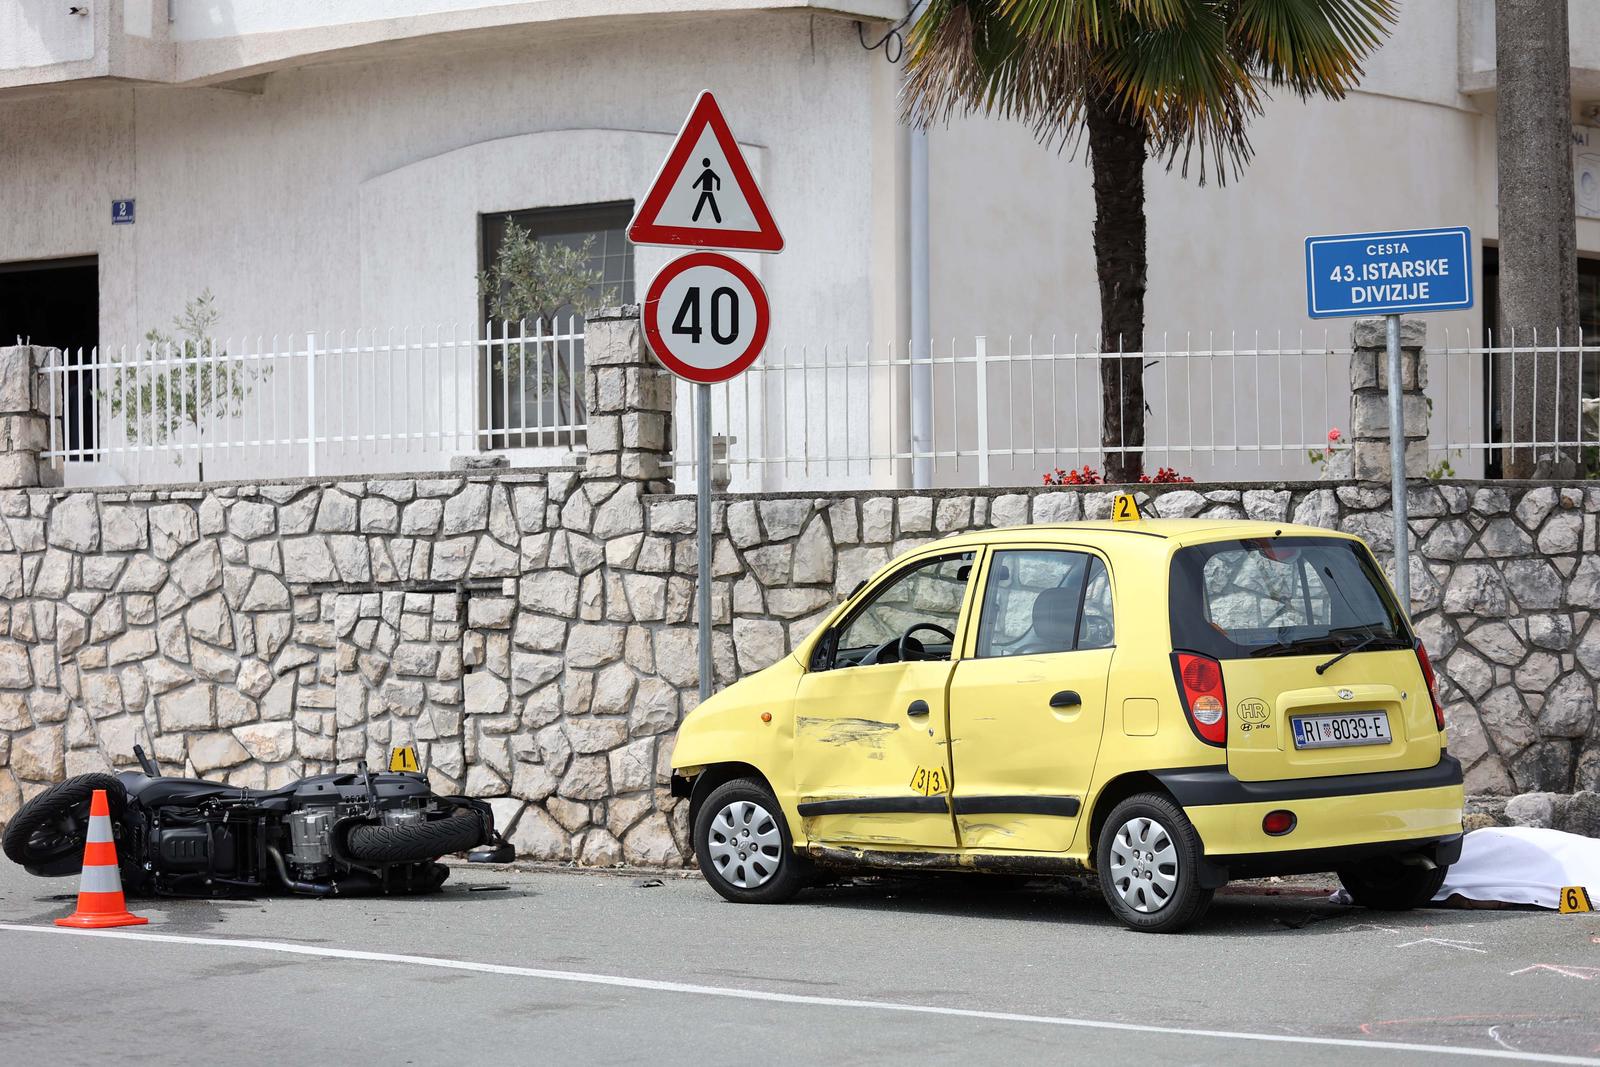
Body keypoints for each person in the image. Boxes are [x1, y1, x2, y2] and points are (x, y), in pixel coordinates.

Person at [691, 158, 722, 224]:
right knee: (709, 205)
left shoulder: (707, 172)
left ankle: (694, 218)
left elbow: (700, 179)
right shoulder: (709, 172)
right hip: (707, 191)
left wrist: (694, 186)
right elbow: (718, 179)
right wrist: (718, 187)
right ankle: (718, 220)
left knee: (703, 204)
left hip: (706, 191)